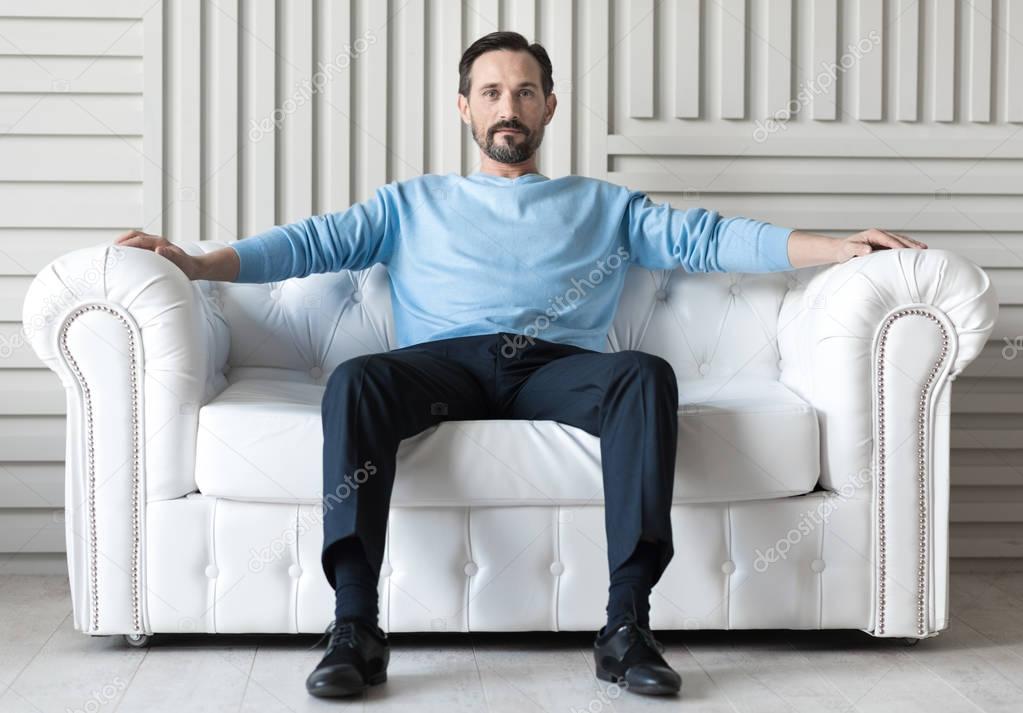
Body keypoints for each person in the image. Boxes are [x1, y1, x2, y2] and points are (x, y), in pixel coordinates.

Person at [115, 30, 927, 699]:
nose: (510, 106)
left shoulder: (604, 204)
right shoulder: (410, 203)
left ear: (548, 105)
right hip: (442, 367)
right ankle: (356, 626)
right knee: (359, 377)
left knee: (643, 373)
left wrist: (838, 246)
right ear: (465, 107)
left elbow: (710, 237)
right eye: (493, 92)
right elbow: (306, 243)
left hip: (554, 369)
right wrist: (194, 262)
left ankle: (625, 623)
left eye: (526, 91)